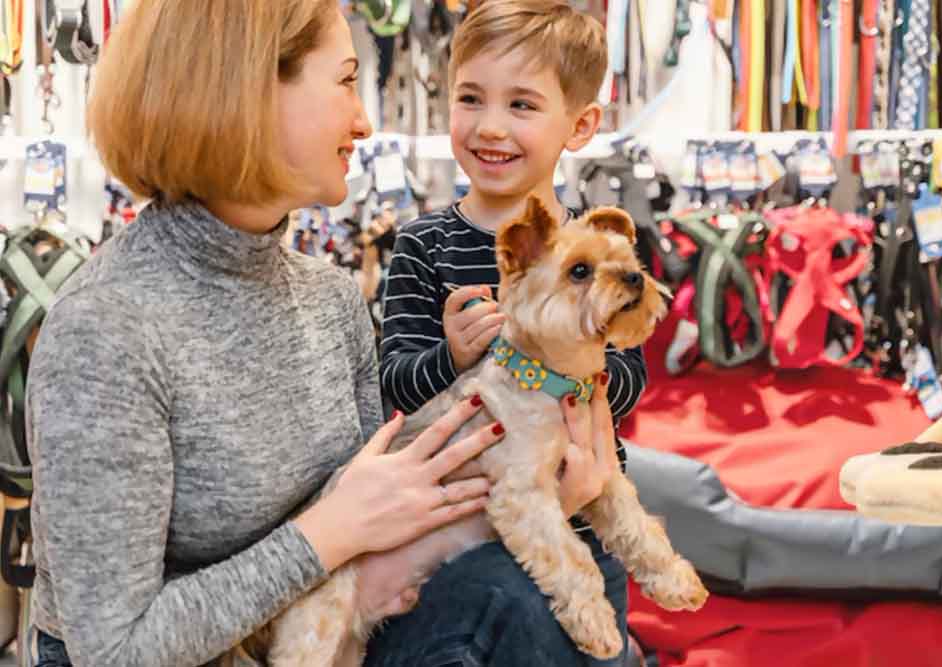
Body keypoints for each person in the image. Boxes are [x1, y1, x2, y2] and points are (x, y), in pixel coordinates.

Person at [24, 2, 616, 666]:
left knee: (545, 593)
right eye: (343, 82)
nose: (363, 121)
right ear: (245, 92)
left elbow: (378, 533)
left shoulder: (329, 297)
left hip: (322, 635)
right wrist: (325, 536)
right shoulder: (108, 330)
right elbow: (112, 649)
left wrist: (540, 499)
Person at [374, 1, 648, 665]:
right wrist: (453, 354)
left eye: (522, 105)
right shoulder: (421, 247)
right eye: (471, 98)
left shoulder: (598, 248)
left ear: (580, 124)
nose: (489, 126)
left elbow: (631, 374)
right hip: (458, 538)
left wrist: (580, 363)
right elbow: (394, 380)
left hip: (577, 528)